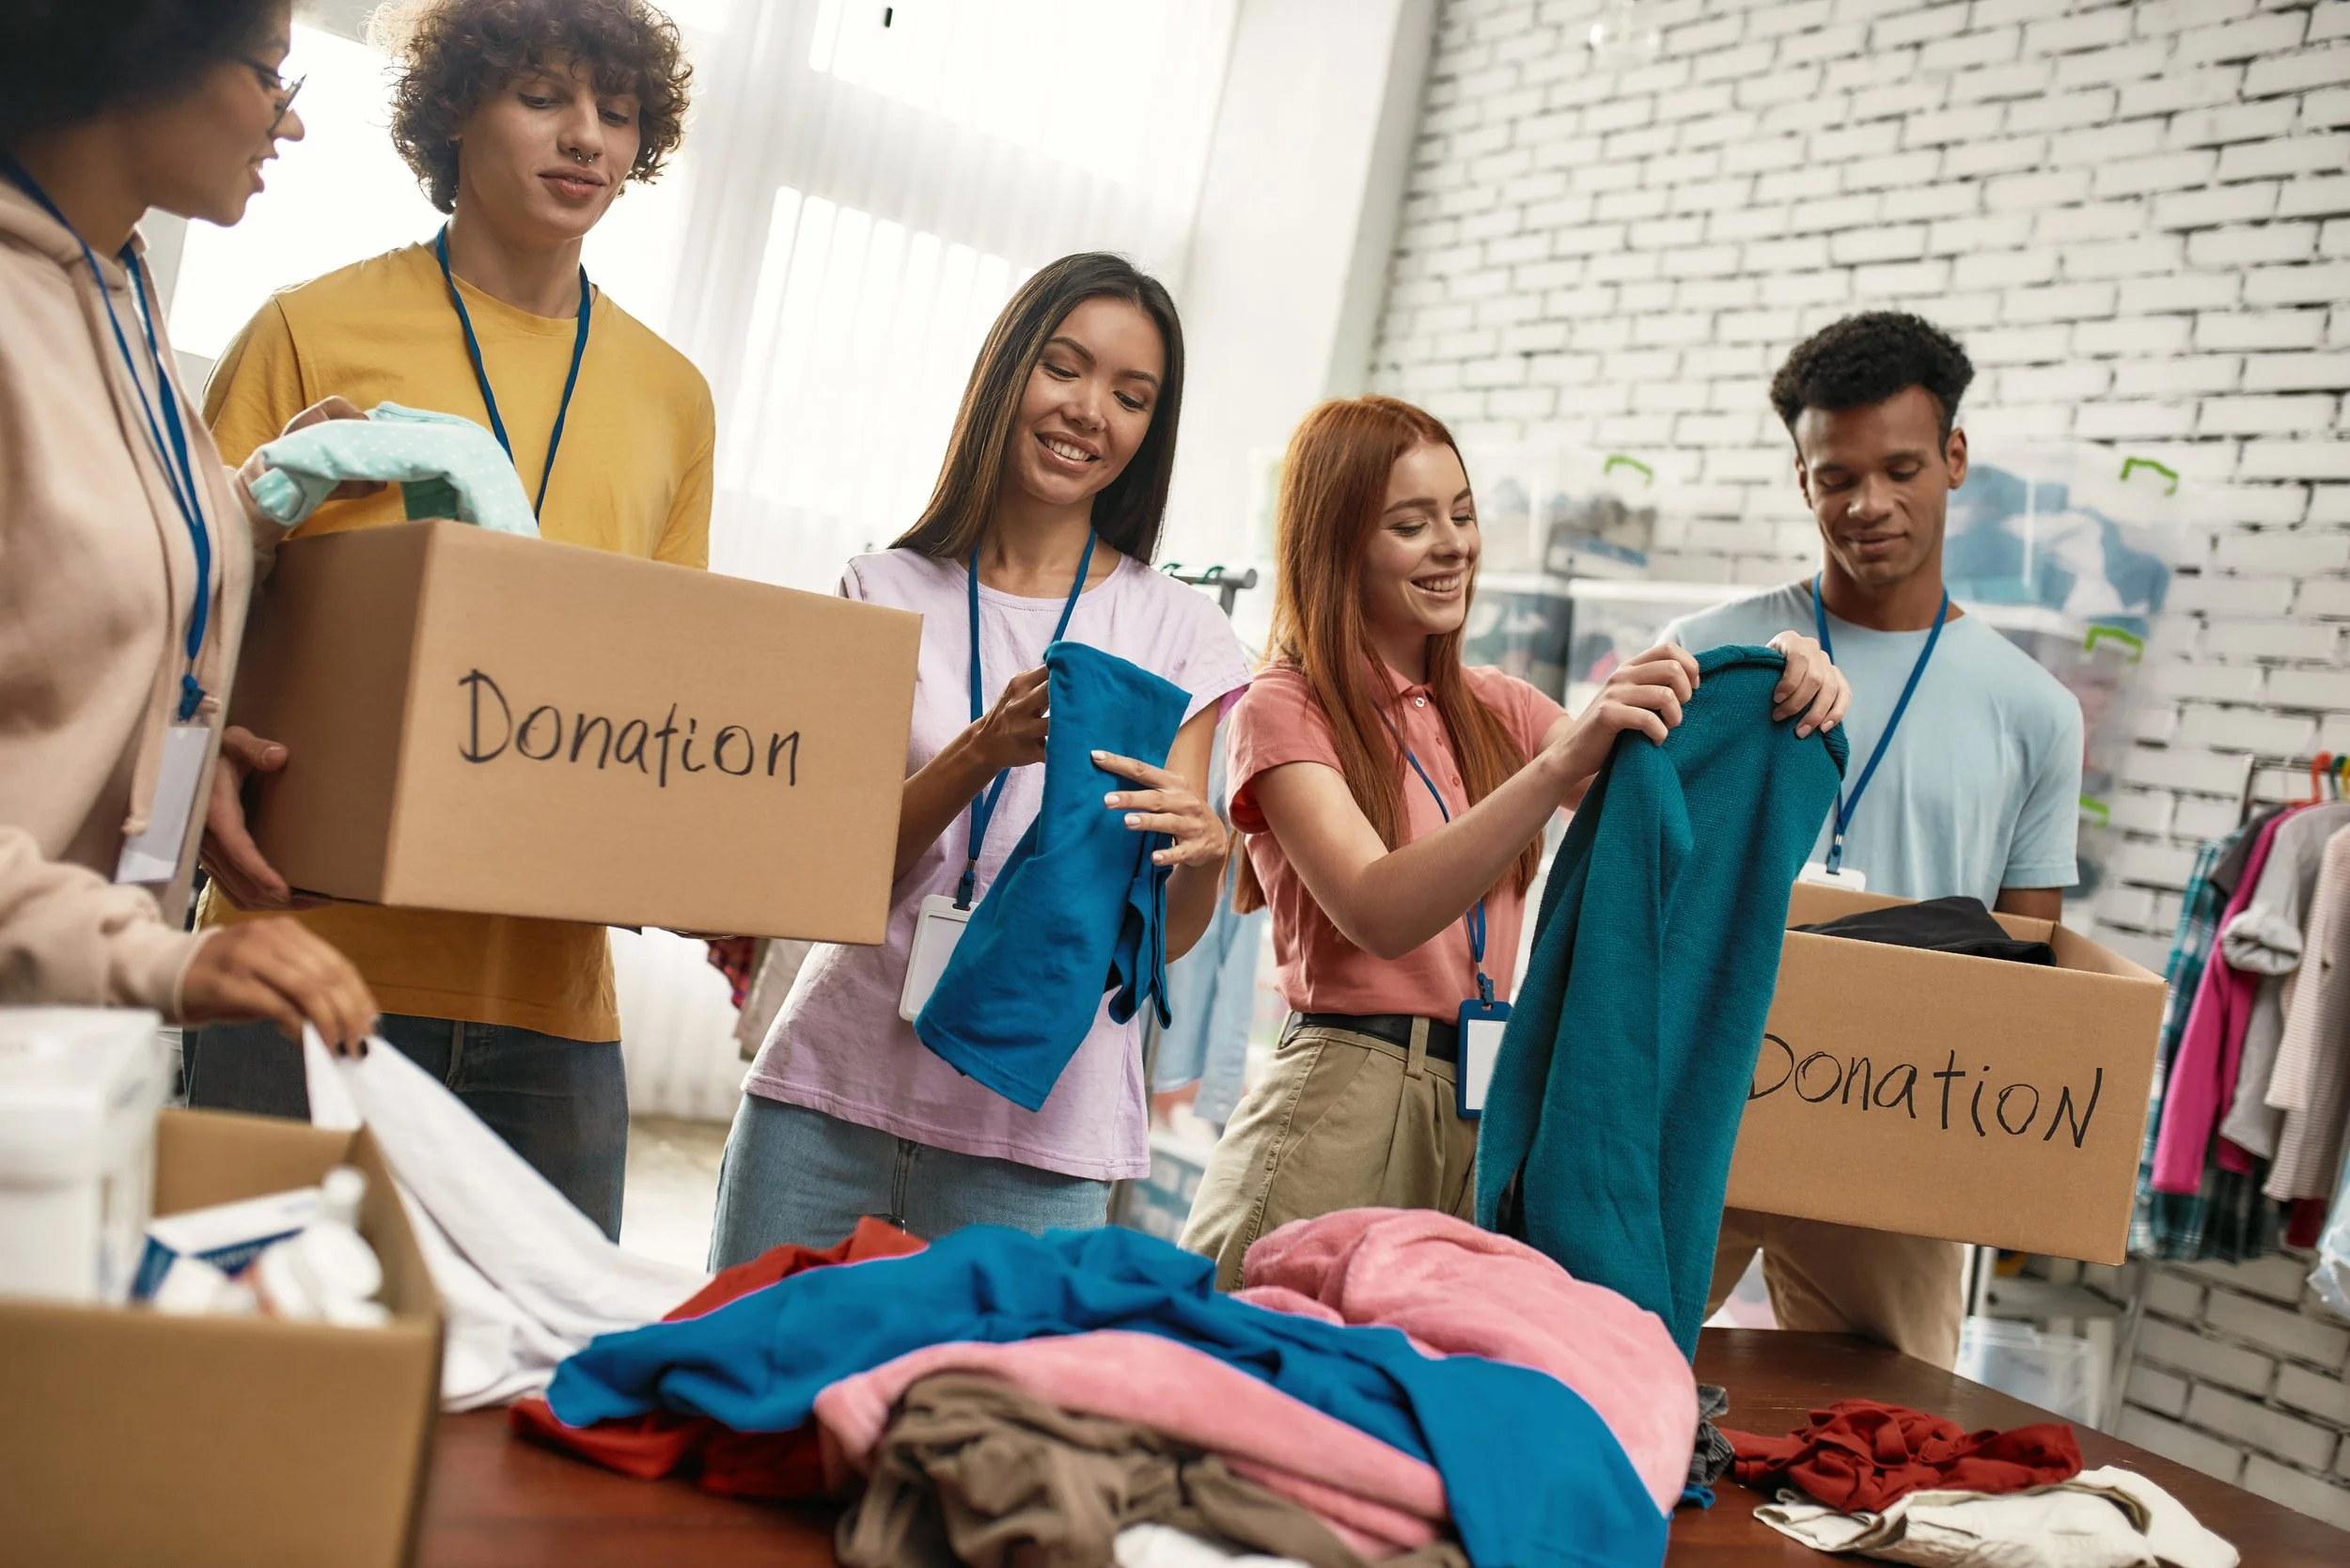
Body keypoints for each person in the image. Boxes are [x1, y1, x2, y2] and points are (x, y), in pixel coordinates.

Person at [183, 0, 709, 1240]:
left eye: (618, 114)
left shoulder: (671, 398)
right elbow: (192, 617)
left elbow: (666, 680)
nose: (585, 137)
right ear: (455, 110)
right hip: (296, 956)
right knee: (254, 1369)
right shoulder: (309, 330)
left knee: (529, 1400)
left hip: (550, 992)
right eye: (542, 96)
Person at [1182, 397, 1850, 1290]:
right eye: (1411, 524)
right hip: (1345, 1098)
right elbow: (1380, 909)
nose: (1453, 543)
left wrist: (1773, 683)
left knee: (1422, 1417)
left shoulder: (1499, 705)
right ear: (1335, 544)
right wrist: (1549, 769)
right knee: (1262, 1399)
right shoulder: (1283, 705)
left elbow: (1674, 813)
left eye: (1462, 513)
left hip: (1486, 1111)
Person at [711, 253, 1254, 1263]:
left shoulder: (1178, 632)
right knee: (731, 1401)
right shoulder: (881, 592)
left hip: (1038, 1144)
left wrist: (1207, 862)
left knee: (978, 1423)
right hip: (829, 1096)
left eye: (1130, 397)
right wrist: (977, 750)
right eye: (1065, 368)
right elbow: (827, 874)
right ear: (1008, 373)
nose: (1090, 411)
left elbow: (1155, 945)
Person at [1663, 311, 2085, 1370]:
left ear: (1952, 458)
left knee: (1889, 1441)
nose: (1867, 505)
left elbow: (2024, 959)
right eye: (1834, 475)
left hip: (1893, 1135)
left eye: (1900, 468)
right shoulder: (1709, 652)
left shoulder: (2033, 710)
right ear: (1800, 479)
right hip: (1694, 1107)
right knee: (1598, 1386)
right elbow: (1632, 876)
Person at [0, 0, 377, 1049]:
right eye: (272, 77)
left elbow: (76, 575)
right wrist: (160, 960)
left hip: (69, 1040)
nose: (287, 124)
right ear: (142, 52)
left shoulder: (116, 287)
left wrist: (255, 498)